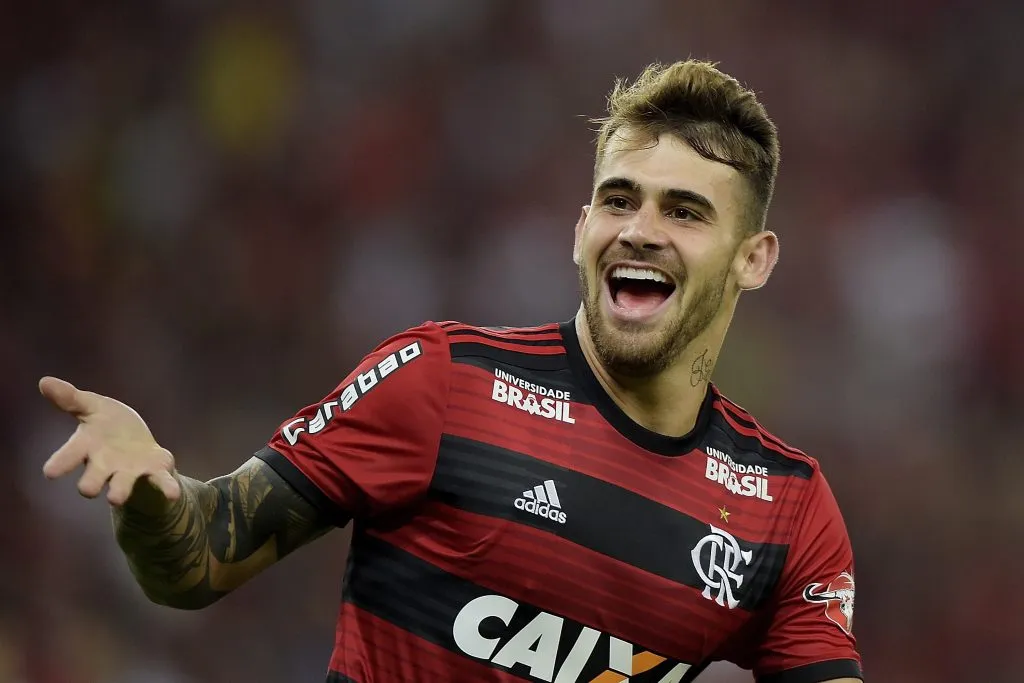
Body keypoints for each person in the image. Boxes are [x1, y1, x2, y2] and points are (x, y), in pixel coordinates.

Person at [39, 60, 864, 683]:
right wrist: (153, 498)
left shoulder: (785, 509)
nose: (640, 230)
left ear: (753, 258)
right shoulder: (444, 382)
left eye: (684, 211)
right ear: (581, 227)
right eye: (619, 200)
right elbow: (200, 559)